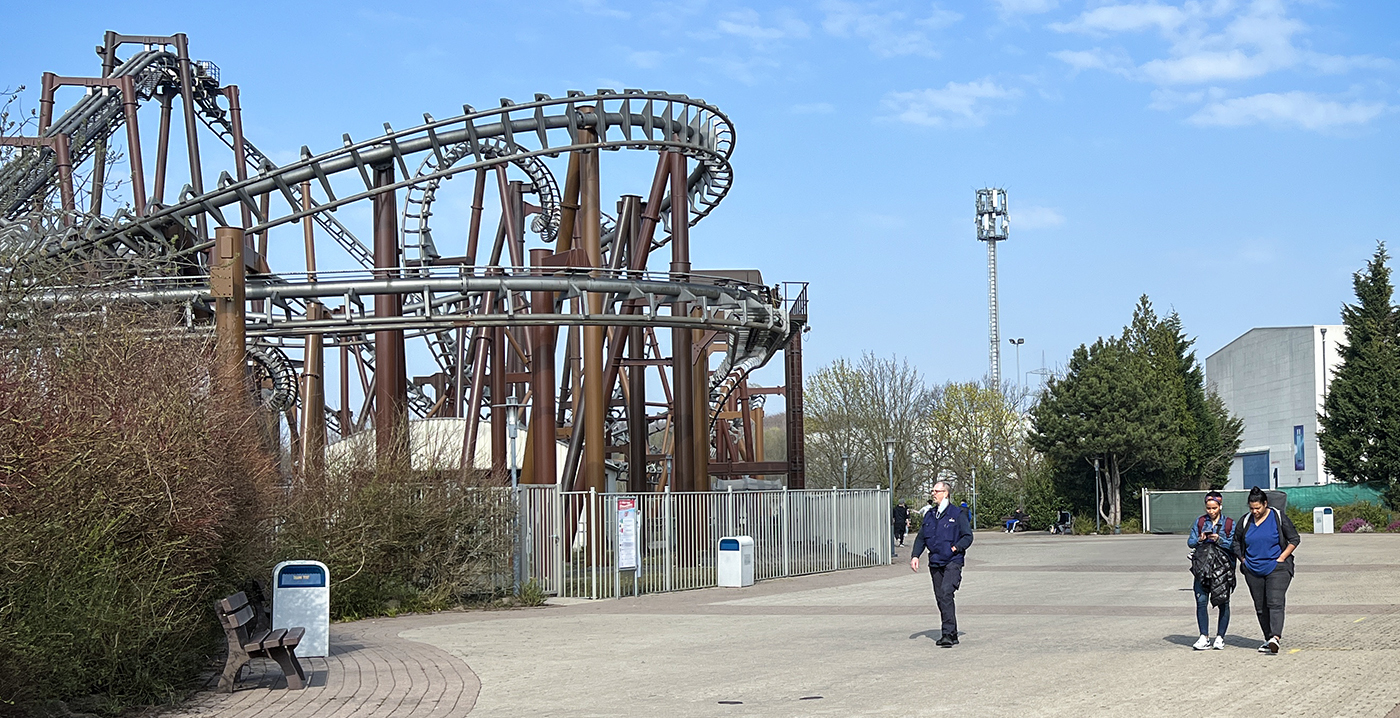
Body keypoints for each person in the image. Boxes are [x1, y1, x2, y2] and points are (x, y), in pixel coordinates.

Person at [1232, 486, 1300, 654]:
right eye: (1252, 508)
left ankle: (1275, 637)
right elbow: (1236, 542)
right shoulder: (1245, 520)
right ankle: (1268, 638)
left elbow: (1294, 539)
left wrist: (1281, 558)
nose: (1255, 511)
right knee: (1260, 606)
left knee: (1275, 602)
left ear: (1265, 504)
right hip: (1253, 569)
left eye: (1258, 508)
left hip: (1277, 568)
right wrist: (1243, 560)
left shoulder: (1277, 517)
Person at [909, 481, 973, 647]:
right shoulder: (930, 515)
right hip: (935, 561)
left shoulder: (957, 514)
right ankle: (952, 632)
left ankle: (947, 633)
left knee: (946, 592)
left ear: (945, 493)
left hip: (953, 560)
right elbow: (921, 538)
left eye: (936, 491)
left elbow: (967, 536)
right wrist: (915, 555)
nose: (933, 494)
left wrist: (955, 547)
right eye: (933, 491)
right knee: (941, 598)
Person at [1187, 491, 1235, 650]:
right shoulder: (1200, 521)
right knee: (1201, 602)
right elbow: (1190, 542)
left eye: (1214, 508)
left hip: (1222, 569)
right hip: (1202, 568)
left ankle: (1220, 637)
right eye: (1208, 508)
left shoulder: (1229, 523)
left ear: (1220, 506)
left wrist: (1219, 539)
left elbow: (1234, 545)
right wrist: (1200, 539)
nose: (1211, 511)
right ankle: (1203, 636)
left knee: (1223, 602)